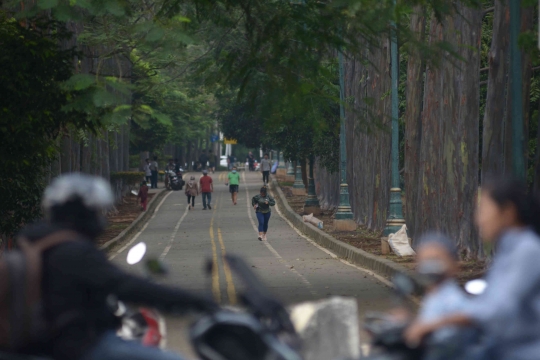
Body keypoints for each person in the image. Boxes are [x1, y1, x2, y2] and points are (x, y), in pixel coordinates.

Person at [16, 173, 216, 360]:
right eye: (95, 212)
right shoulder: (73, 251)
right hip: (79, 344)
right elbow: (125, 286)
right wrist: (193, 300)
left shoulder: (32, 244)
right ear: (83, 215)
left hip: (46, 343)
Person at [405, 177, 540, 360]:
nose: (478, 220)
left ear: (508, 212)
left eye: (483, 210)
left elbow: (496, 309)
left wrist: (436, 324)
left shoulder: (527, 249)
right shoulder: (507, 251)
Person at [409, 233, 474, 360]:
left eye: (436, 259)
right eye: (425, 260)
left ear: (455, 265)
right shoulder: (433, 296)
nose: (430, 266)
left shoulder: (454, 300)